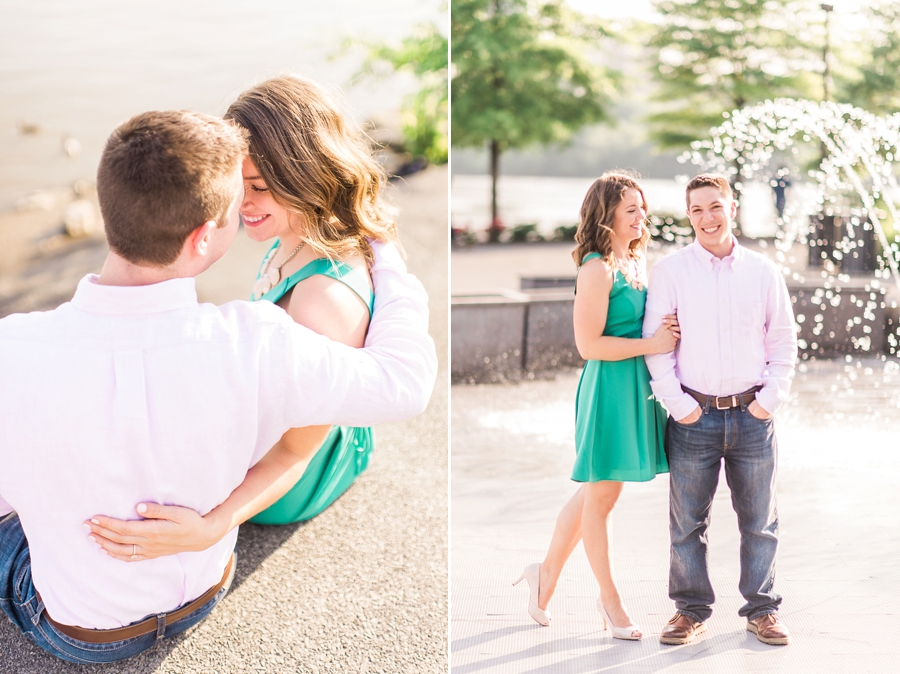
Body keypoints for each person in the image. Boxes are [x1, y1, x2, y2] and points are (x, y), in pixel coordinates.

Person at [0, 109, 436, 664]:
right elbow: (406, 383)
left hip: (78, 633)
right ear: (205, 237)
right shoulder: (257, 341)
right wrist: (391, 265)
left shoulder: (13, 350)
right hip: (204, 591)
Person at [82, 74, 412, 559]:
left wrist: (213, 526)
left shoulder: (322, 300)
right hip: (275, 415)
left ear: (307, 177)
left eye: (259, 188)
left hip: (298, 470)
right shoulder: (292, 228)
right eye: (238, 186)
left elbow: (295, 451)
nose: (242, 204)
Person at [514, 171, 678, 641]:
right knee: (602, 497)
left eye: (642, 207)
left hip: (633, 387)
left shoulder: (633, 259)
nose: (641, 215)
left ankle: (543, 575)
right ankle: (609, 601)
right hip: (608, 387)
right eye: (631, 209)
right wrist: (652, 344)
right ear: (607, 215)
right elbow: (588, 345)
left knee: (596, 492)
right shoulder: (596, 268)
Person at [642, 173, 797, 647]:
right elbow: (657, 347)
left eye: (715, 207)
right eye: (696, 210)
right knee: (687, 522)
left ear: (732, 208)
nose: (706, 218)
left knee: (760, 521)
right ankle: (689, 610)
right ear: (688, 215)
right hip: (694, 418)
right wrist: (680, 407)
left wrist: (769, 401)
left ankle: (762, 610)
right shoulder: (670, 271)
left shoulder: (763, 271)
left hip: (753, 414)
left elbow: (782, 338)